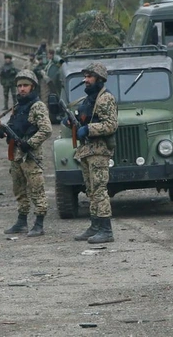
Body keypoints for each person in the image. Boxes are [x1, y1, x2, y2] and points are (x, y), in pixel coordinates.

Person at [0, 69, 52, 237]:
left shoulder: (37, 106)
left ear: (32, 87)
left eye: (25, 85)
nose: (21, 89)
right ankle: (21, 222)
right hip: (16, 155)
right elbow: (13, 126)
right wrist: (3, 131)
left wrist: (30, 143)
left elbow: (46, 130)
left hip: (30, 156)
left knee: (37, 189)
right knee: (19, 189)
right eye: (19, 85)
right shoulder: (18, 106)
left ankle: (39, 223)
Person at [67, 62, 118, 243]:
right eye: (85, 76)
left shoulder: (105, 99)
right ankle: (95, 226)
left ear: (99, 78)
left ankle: (106, 230)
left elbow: (111, 125)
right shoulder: (89, 99)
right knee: (91, 190)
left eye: (89, 76)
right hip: (87, 151)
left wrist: (88, 129)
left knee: (99, 190)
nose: (85, 80)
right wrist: (73, 123)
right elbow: (85, 119)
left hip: (99, 151)